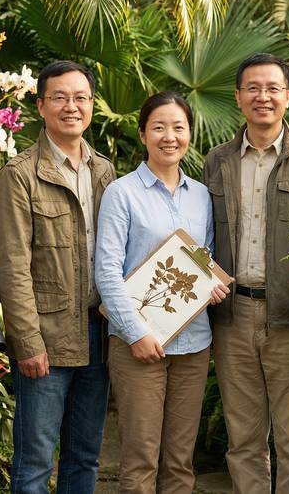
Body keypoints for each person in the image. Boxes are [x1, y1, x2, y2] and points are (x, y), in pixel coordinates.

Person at [202, 53, 289, 493]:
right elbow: (202, 235)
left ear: (287, 97)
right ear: (239, 97)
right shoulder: (217, 161)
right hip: (233, 318)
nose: (263, 97)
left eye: (272, 88)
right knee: (243, 440)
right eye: (253, 89)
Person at [95, 91, 229, 494]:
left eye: (178, 127)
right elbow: (107, 271)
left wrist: (213, 286)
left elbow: (205, 260)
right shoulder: (122, 193)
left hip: (193, 343)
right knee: (140, 460)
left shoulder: (202, 195)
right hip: (139, 346)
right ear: (142, 134)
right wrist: (136, 333)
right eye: (159, 127)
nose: (169, 136)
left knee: (179, 462)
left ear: (189, 133)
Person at [0, 61, 116, 494]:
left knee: (85, 456)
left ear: (91, 106)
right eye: (60, 98)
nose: (71, 106)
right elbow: (12, 265)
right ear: (41, 105)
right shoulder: (20, 174)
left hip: (99, 333)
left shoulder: (105, 171)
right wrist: (27, 341)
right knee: (34, 461)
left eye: (80, 98)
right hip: (47, 335)